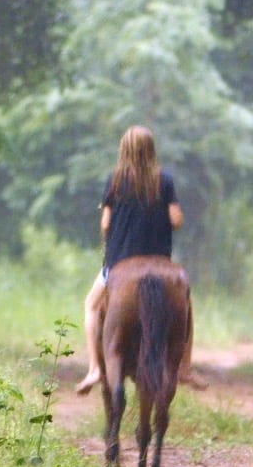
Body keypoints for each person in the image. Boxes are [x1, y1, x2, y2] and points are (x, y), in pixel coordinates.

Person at [76, 125, 206, 394]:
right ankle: (185, 367)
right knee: (186, 303)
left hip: (118, 262)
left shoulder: (114, 181)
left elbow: (105, 224)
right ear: (151, 151)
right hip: (159, 263)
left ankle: (94, 369)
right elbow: (176, 220)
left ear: (124, 150)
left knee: (90, 305)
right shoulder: (165, 180)